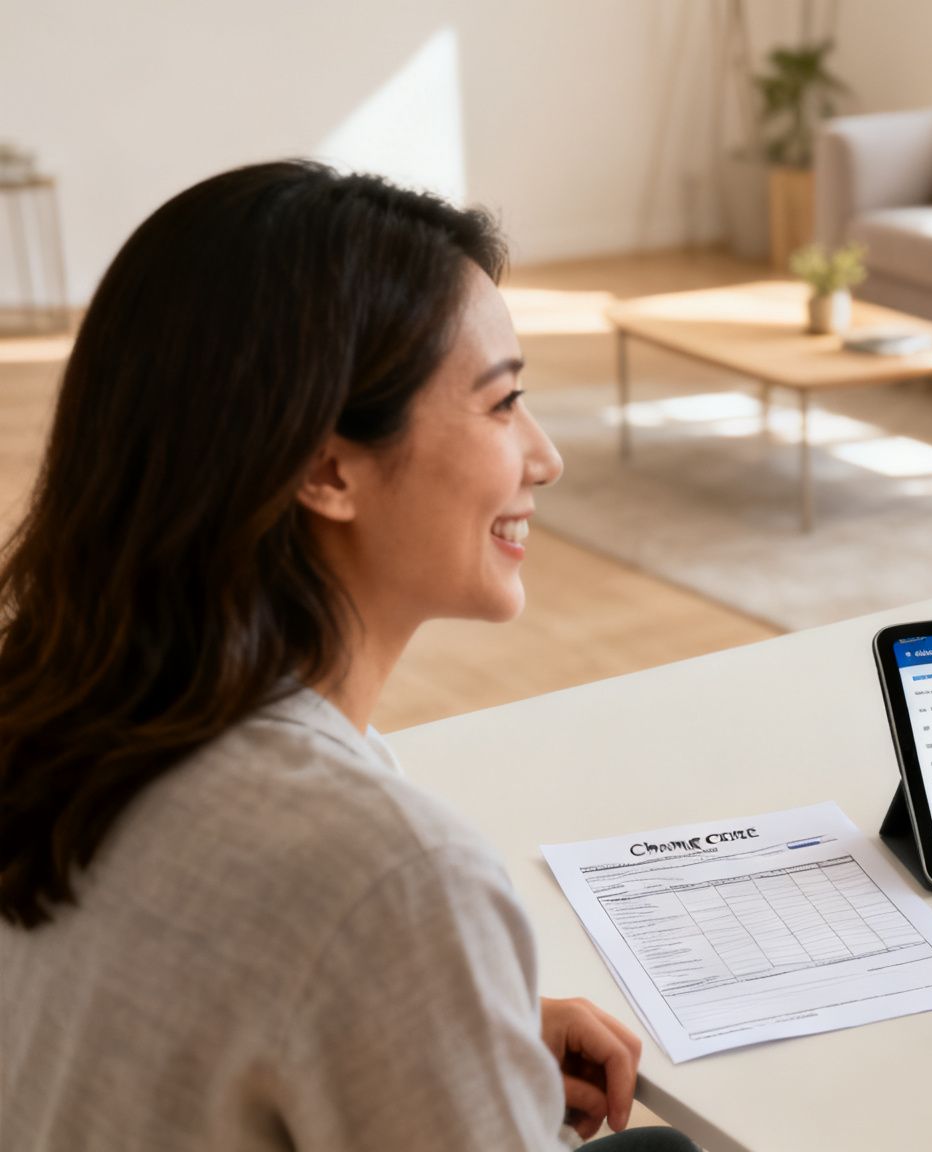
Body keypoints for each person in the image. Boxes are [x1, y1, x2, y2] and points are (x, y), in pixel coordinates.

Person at [0, 162, 695, 1151]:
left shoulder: (55, 708)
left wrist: (441, 1035)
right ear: (326, 468)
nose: (544, 456)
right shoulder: (391, 874)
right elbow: (332, 910)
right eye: (502, 405)